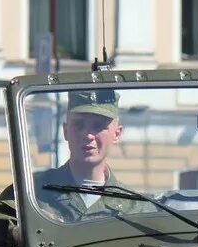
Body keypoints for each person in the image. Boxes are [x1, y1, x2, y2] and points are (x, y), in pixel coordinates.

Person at [34, 90, 149, 220]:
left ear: (117, 134)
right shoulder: (32, 192)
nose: (88, 135)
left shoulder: (135, 208)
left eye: (98, 126)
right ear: (66, 131)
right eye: (79, 124)